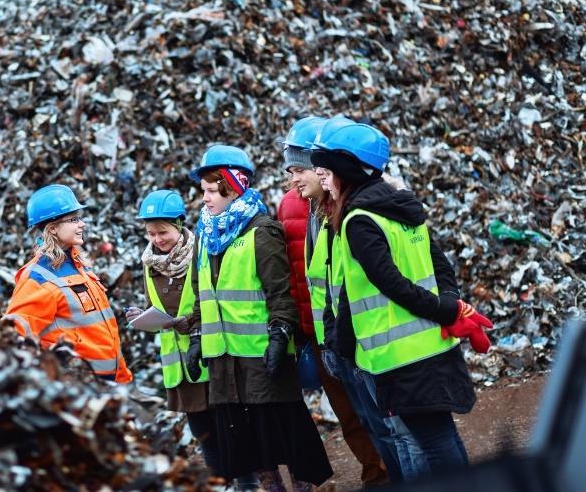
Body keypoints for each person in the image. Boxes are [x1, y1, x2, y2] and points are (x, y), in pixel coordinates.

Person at [310, 120, 492, 477]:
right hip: (431, 346)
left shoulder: (358, 220)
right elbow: (441, 267)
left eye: (327, 171)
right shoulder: (402, 208)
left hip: (401, 359)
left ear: (345, 171)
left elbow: (389, 283)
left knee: (434, 443)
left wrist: (446, 309)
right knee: (443, 436)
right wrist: (450, 304)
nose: (324, 180)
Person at [185, 145, 332, 491]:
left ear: (233, 186)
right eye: (202, 191)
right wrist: (195, 338)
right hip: (225, 368)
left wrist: (281, 334)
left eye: (209, 191)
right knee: (253, 452)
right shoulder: (204, 238)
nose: (203, 199)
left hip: (261, 364)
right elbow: (199, 298)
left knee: (288, 443)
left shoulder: (261, 231)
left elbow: (279, 294)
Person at [277, 116, 390, 487]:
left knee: (375, 410)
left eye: (301, 167)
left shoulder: (345, 206)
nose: (296, 177)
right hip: (318, 330)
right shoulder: (290, 207)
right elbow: (296, 272)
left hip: (353, 328)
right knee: (349, 414)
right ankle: (374, 471)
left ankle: (389, 471)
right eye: (292, 168)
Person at [125, 189, 218, 469]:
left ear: (179, 224)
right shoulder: (149, 264)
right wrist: (142, 315)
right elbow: (155, 305)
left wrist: (189, 323)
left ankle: (245, 481)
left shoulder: (201, 252)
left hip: (206, 355)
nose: (157, 240)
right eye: (151, 234)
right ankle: (221, 481)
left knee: (227, 424)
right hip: (178, 366)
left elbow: (210, 298)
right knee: (203, 431)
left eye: (162, 232)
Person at [3, 184, 133, 383]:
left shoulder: (81, 268)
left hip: (110, 386)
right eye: (74, 219)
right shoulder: (37, 279)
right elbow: (16, 340)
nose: (82, 225)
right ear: (52, 228)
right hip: (78, 391)